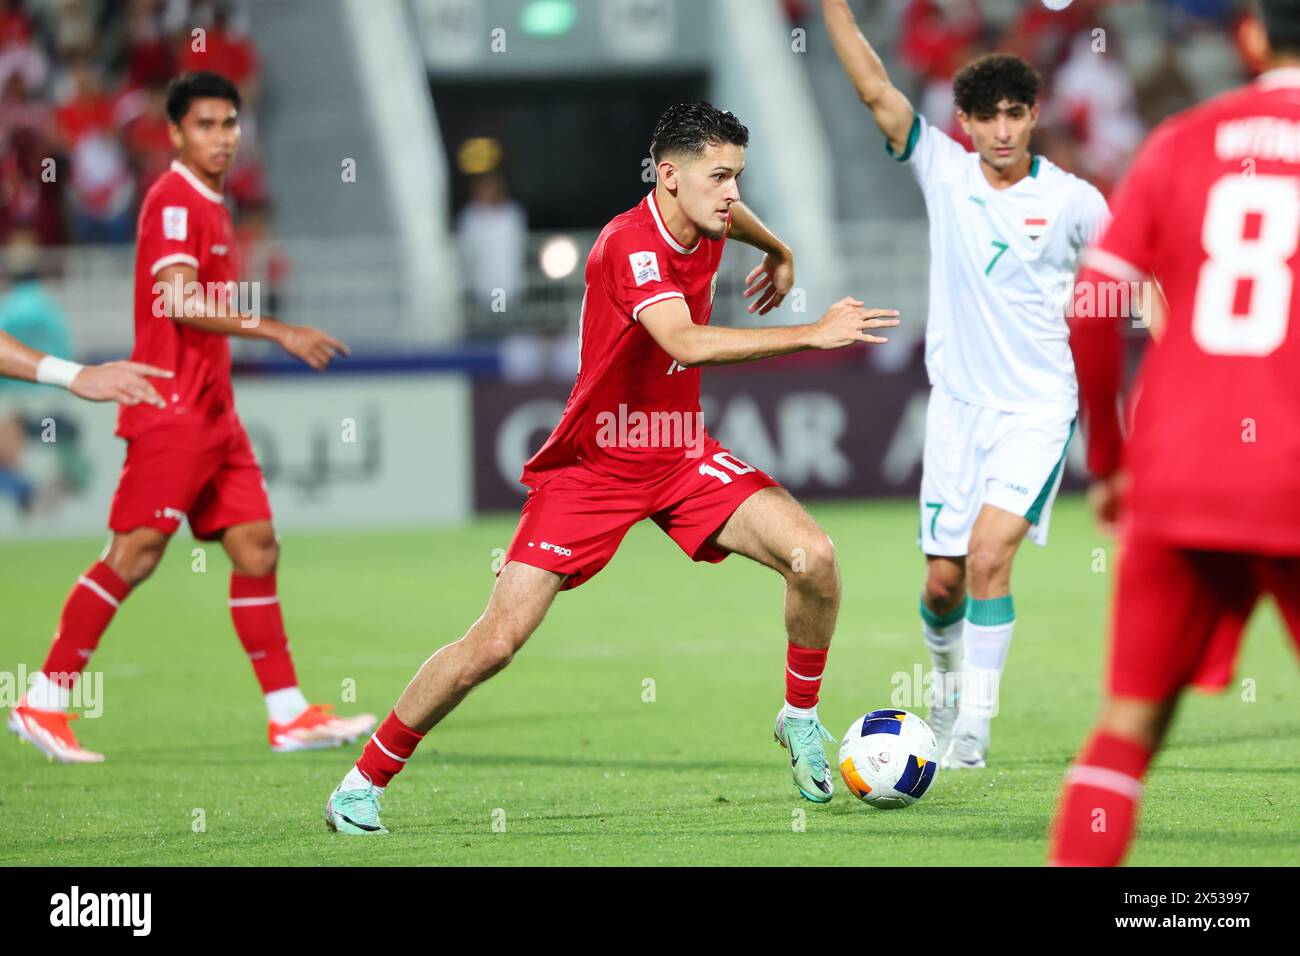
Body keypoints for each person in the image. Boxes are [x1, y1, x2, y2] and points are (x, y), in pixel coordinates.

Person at [324, 101, 900, 834]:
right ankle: (362, 780)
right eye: (719, 178)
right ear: (667, 177)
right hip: (593, 466)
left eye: (738, 178)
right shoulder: (628, 246)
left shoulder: (711, 213)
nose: (732, 194)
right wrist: (812, 335)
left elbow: (734, 218)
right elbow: (685, 343)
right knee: (496, 641)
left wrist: (777, 248)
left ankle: (800, 716)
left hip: (679, 450)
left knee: (814, 556)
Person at [7, 72, 374, 763]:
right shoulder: (175, 201)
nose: (221, 137)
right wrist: (278, 330)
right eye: (204, 125)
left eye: (229, 124)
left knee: (257, 548)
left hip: (214, 415)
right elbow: (176, 301)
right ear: (174, 133)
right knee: (135, 554)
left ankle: (289, 713)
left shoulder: (212, 203)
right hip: (169, 409)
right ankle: (44, 699)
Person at [823, 0, 1110, 768]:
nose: (1005, 130)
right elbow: (875, 88)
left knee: (989, 557)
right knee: (944, 584)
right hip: (956, 413)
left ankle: (974, 735)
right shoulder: (942, 170)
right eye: (989, 117)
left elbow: (1134, 278)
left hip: (1038, 409)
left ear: (1034, 114)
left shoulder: (1075, 201)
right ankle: (947, 697)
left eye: (1017, 113)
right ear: (968, 122)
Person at [1049, 0, 1300, 866]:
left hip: (1181, 468)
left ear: (1252, 36)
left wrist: (1111, 461)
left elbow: (1091, 305)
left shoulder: (1183, 140)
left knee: (1123, 733)